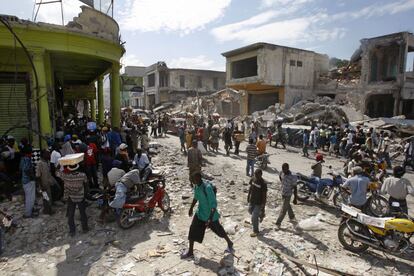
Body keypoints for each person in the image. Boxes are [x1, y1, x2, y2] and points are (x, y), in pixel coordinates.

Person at [181, 172, 234, 259]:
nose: (193, 181)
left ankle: (229, 242)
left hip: (211, 216)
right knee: (192, 230)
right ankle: (190, 252)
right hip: (200, 213)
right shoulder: (196, 186)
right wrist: (191, 208)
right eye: (192, 180)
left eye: (194, 179)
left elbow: (213, 205)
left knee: (219, 231)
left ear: (199, 178)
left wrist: (209, 219)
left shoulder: (207, 188)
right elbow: (196, 197)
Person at [57, 154, 89, 236]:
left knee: (71, 215)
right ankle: (85, 228)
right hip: (80, 196)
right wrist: (85, 194)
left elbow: (57, 173)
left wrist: (59, 165)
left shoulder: (65, 176)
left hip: (71, 197)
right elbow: (86, 184)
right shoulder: (82, 175)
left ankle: (72, 231)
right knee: (83, 213)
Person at [276, 163, 297, 228]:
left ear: (288, 168)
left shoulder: (292, 176)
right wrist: (282, 183)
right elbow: (280, 176)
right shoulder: (281, 172)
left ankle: (278, 223)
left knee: (283, 210)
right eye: (282, 169)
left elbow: (295, 187)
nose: (283, 170)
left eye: (284, 169)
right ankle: (292, 216)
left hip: (288, 194)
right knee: (287, 205)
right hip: (283, 193)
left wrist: (295, 198)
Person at [36, 150, 57, 215]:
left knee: (48, 197)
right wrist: (41, 186)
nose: (49, 155)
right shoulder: (40, 163)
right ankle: (48, 210)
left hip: (48, 182)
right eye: (47, 154)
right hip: (43, 184)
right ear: (43, 155)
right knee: (46, 198)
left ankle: (48, 209)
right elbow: (38, 176)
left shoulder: (47, 161)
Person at [19, 145, 38, 218]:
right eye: (31, 152)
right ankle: (28, 214)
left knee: (28, 197)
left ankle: (30, 210)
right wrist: (33, 178)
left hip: (24, 180)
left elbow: (21, 169)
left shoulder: (22, 159)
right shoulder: (27, 159)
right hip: (28, 181)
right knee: (30, 198)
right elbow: (27, 170)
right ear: (29, 153)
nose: (32, 154)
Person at [247, 169, 267, 237]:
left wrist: (263, 207)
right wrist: (248, 196)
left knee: (253, 217)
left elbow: (264, 196)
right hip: (252, 200)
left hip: (258, 202)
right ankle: (261, 215)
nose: (255, 176)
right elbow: (250, 188)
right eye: (255, 174)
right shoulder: (253, 178)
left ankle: (256, 231)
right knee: (249, 211)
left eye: (257, 175)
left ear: (261, 175)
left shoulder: (263, 183)